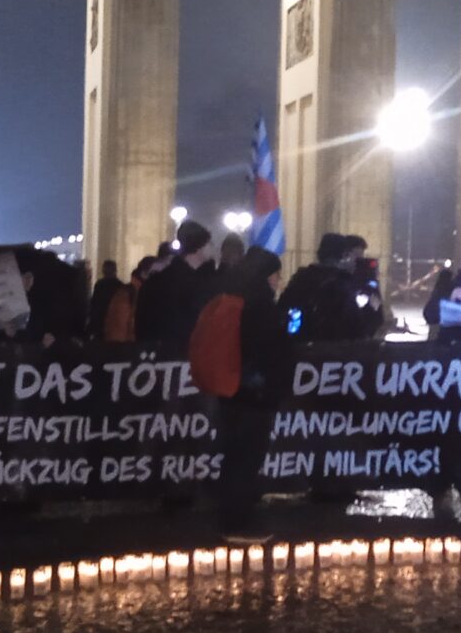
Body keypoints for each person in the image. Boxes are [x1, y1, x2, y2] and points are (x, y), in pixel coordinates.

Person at [215, 250, 288, 537]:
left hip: (233, 391)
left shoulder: (232, 298)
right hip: (255, 395)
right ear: (267, 275)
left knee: (234, 455)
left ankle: (232, 516)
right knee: (246, 458)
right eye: (277, 274)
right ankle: (238, 523)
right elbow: (269, 351)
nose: (280, 280)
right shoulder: (261, 307)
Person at [135, 221, 220, 354]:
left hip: (159, 355)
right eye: (209, 243)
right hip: (182, 355)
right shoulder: (195, 284)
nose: (214, 247)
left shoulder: (158, 280)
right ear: (199, 247)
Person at [281, 233, 380, 343]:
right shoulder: (342, 285)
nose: (355, 262)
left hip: (300, 347)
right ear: (344, 256)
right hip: (332, 351)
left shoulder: (301, 279)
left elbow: (284, 311)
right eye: (353, 257)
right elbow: (357, 326)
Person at [87, 259, 125, 340]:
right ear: (115, 270)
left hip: (100, 323)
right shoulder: (120, 286)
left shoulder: (100, 285)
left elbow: (94, 305)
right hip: (115, 322)